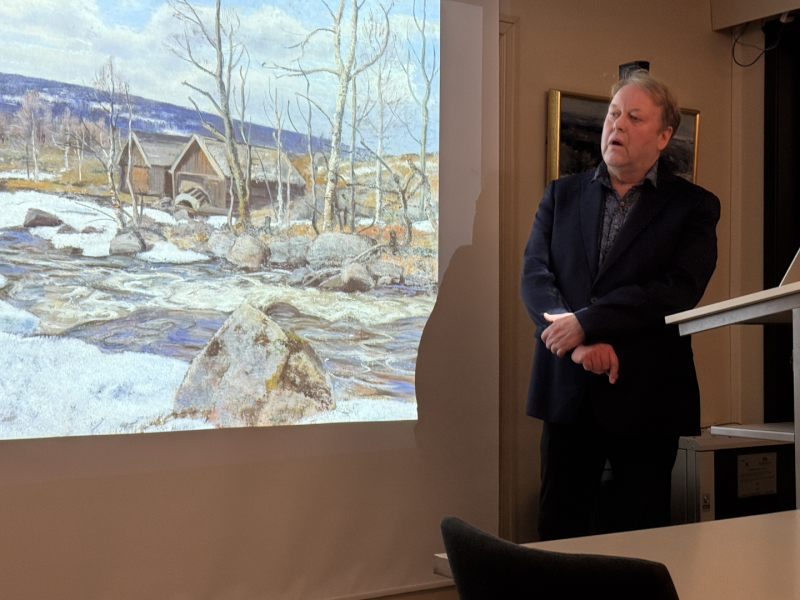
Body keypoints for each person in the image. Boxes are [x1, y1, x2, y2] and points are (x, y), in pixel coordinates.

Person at [520, 71, 720, 541]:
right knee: (559, 533)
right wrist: (576, 347)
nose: (617, 125)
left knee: (644, 535)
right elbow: (535, 278)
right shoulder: (561, 195)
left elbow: (678, 288)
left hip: (648, 393)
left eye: (633, 117)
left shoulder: (693, 206)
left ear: (664, 135)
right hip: (569, 391)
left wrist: (587, 324)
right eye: (613, 114)